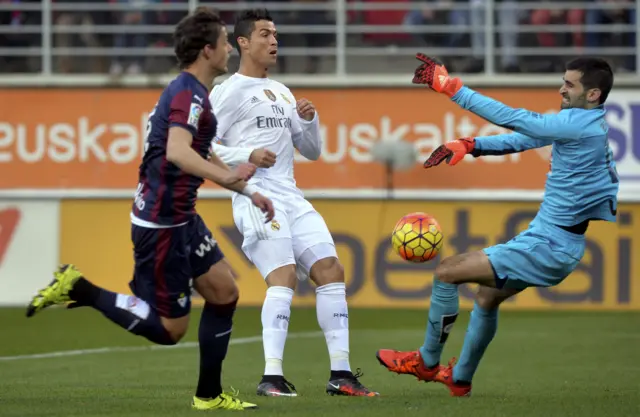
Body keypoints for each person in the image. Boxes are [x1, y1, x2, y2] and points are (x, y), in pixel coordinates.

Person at [25, 7, 275, 411]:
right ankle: (80, 288)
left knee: (225, 290)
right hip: (161, 224)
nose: (230, 47)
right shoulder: (187, 94)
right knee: (169, 330)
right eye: (226, 42)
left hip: (182, 216)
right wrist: (228, 180)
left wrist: (244, 187)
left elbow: (198, 146)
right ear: (208, 50)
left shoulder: (193, 93)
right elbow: (178, 151)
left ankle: (208, 396)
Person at [377, 55, 618, 397]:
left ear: (592, 94)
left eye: (570, 84)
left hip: (549, 246)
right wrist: (472, 145)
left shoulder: (580, 126)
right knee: (487, 297)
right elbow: (525, 139)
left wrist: (451, 88)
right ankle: (459, 381)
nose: (561, 88)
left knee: (447, 271)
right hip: (554, 243)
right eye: (563, 81)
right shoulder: (580, 124)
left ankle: (427, 362)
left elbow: (514, 119)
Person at [207, 8, 378, 398]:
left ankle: (341, 374)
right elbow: (203, 145)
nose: (273, 41)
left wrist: (309, 119)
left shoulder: (282, 91)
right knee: (282, 278)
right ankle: (271, 377)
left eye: (276, 35)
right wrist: (247, 154)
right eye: (265, 34)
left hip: (291, 194)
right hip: (256, 195)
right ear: (243, 42)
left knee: (331, 270)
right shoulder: (228, 91)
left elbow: (313, 151)